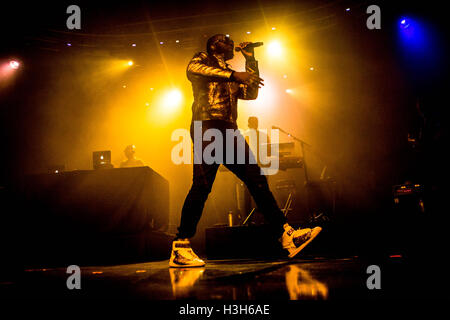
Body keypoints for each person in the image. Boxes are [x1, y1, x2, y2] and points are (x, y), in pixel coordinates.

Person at [169, 34, 321, 267]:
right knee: (202, 185)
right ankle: (181, 246)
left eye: (231, 42)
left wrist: (251, 61)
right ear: (213, 45)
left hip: (229, 130)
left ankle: (287, 235)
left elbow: (251, 93)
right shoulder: (202, 59)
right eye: (225, 41)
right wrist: (234, 74)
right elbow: (192, 69)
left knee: (256, 179)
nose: (230, 43)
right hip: (207, 126)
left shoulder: (231, 73)